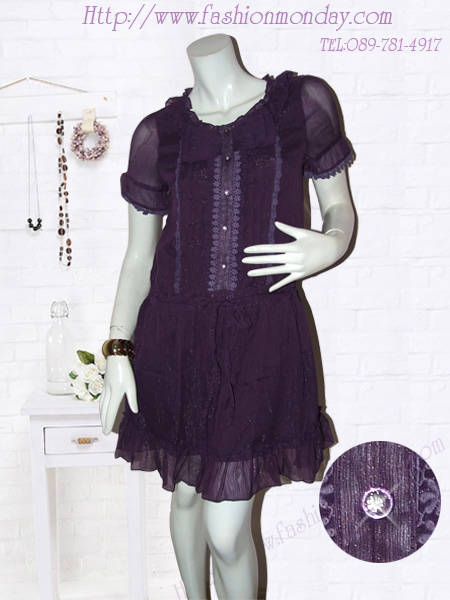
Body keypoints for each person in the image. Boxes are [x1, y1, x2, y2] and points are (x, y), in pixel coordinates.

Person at [99, 33, 356, 600]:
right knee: (185, 498)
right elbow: (139, 256)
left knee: (226, 529)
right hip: (172, 339)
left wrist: (332, 241)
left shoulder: (301, 104)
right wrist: (117, 348)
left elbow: (338, 204)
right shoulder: (158, 134)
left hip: (262, 337)